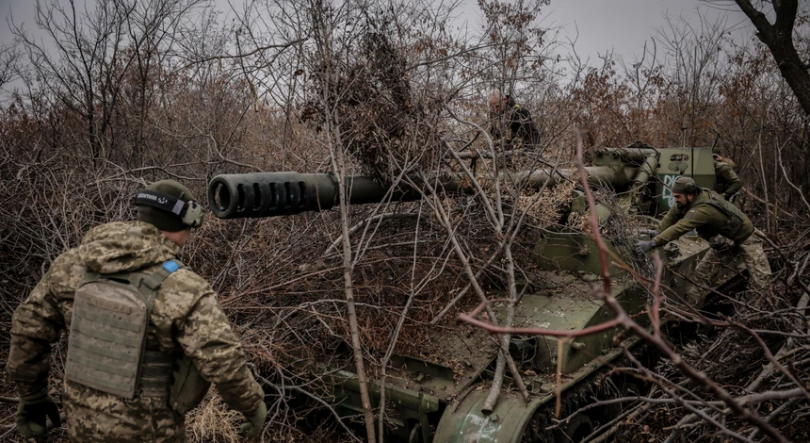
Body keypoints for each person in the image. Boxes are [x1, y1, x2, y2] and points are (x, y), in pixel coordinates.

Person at [7, 180, 267, 442]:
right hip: (152, 431)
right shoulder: (184, 287)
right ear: (187, 221)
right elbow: (222, 359)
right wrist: (252, 405)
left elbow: (28, 328)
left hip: (81, 424)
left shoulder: (72, 265)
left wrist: (31, 394)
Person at [636, 176, 771, 307]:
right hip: (724, 242)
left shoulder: (702, 209)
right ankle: (692, 316)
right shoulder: (694, 197)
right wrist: (659, 231)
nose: (675, 200)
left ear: (689, 195)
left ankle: (765, 313)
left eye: (678, 197)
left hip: (746, 238)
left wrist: (653, 243)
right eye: (674, 196)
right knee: (701, 278)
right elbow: (673, 213)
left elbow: (681, 227)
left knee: (762, 282)